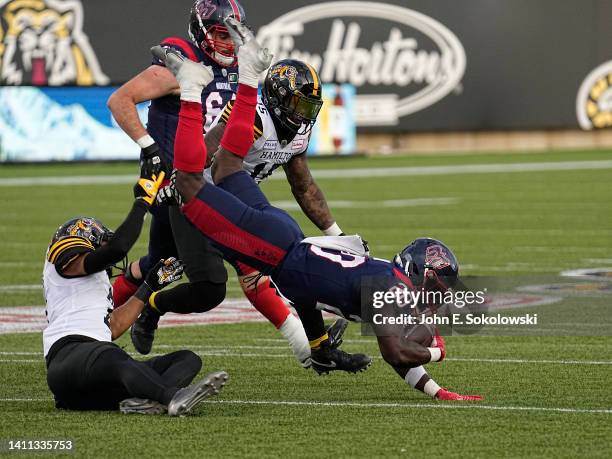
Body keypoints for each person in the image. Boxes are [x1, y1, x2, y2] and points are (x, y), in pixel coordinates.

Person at [150, 18, 482, 400]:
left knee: (226, 167)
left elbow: (393, 348)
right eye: (438, 290)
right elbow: (396, 351)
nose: (438, 300)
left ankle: (246, 76)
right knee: (190, 180)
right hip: (276, 246)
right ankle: (196, 87)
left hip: (284, 240)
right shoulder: (393, 293)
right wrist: (439, 349)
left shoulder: (390, 285)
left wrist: (438, 391)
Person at [106, 0, 322, 368]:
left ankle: (93, 315)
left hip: (207, 184)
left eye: (233, 35)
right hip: (180, 185)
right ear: (203, 32)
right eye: (222, 34)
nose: (228, 44)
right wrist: (149, 146)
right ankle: (310, 347)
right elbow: (120, 99)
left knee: (162, 263)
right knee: (245, 258)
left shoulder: (238, 69)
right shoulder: (183, 62)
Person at [136, 58, 350, 368]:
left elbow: (305, 188)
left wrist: (337, 236)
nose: (302, 115)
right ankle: (152, 305)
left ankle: (313, 348)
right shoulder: (254, 115)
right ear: (276, 98)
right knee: (211, 288)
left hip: (235, 204)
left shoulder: (298, 134)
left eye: (308, 107)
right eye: (296, 104)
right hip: (197, 201)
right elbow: (208, 154)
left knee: (276, 264)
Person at [43, 158, 228, 415]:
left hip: (95, 373)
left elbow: (114, 327)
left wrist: (150, 284)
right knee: (114, 358)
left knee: (186, 359)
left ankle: (144, 401)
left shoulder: (93, 283)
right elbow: (118, 248)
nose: (106, 248)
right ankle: (173, 397)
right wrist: (143, 202)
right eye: (101, 244)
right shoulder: (60, 261)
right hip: (67, 360)